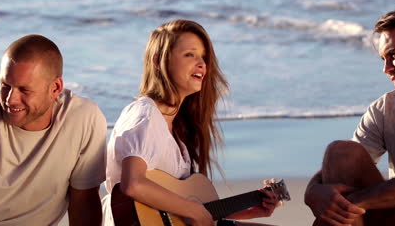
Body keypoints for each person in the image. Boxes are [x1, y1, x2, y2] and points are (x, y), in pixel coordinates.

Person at [102, 19, 280, 226]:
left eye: (203, 57)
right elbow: (133, 184)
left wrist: (249, 210)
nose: (202, 64)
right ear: (158, 60)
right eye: (189, 54)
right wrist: (193, 209)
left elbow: (177, 217)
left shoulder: (174, 128)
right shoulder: (146, 115)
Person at [304, 5, 395, 226]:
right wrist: (313, 192)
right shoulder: (387, 109)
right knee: (341, 152)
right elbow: (338, 168)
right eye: (383, 59)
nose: (386, 69)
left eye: (394, 55)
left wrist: (350, 202)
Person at [0, 35, 107, 225]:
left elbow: (84, 201)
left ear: (55, 88)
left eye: (24, 90)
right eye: (5, 86)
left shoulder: (83, 118)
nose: (10, 99)